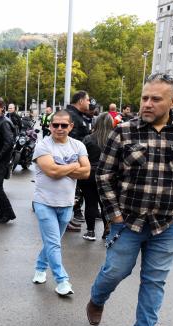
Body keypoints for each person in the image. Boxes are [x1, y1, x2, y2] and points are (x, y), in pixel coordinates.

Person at [87, 74, 173, 326]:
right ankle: (97, 299)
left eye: (156, 99)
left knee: (154, 281)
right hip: (127, 222)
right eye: (145, 98)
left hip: (168, 225)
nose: (148, 103)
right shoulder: (124, 132)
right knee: (115, 271)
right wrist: (114, 214)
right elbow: (104, 175)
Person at [30, 109, 91, 296]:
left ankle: (40, 268)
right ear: (49, 126)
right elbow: (52, 172)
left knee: (52, 242)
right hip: (44, 202)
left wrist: (61, 168)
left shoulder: (78, 145)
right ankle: (62, 281)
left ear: (71, 126)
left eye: (64, 125)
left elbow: (87, 172)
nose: (59, 128)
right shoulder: (43, 146)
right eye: (55, 125)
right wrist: (74, 166)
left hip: (67, 203)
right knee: (54, 243)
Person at [81, 112, 113, 241]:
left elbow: (81, 157)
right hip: (108, 177)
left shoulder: (88, 139)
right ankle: (107, 230)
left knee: (90, 203)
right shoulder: (115, 139)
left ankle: (90, 231)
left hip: (89, 175)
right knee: (106, 205)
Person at [65, 90, 92, 232]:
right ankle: (65, 220)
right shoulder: (71, 116)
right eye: (87, 100)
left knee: (73, 191)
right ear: (81, 100)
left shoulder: (79, 116)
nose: (89, 103)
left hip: (79, 159)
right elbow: (71, 140)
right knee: (69, 190)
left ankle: (68, 218)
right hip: (72, 160)